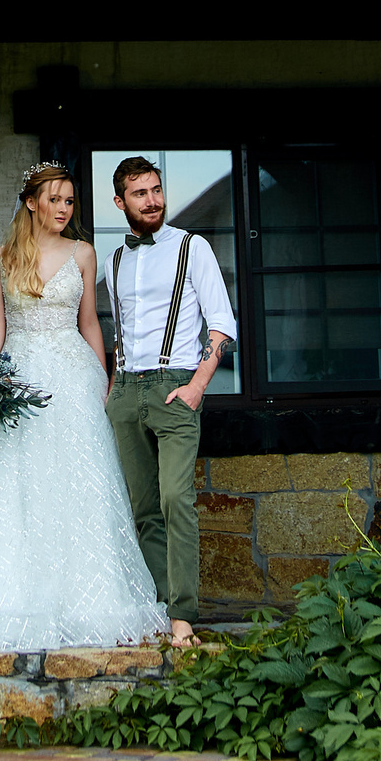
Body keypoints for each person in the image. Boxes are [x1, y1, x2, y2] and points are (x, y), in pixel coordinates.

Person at [0, 161, 170, 651]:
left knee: (78, 487)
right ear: (31, 201)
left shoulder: (84, 254)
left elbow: (90, 324)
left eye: (69, 201)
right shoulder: (1, 257)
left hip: (73, 381)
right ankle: (16, 598)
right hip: (16, 377)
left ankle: (88, 601)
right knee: (13, 487)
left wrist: (104, 381)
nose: (63, 209)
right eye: (54, 199)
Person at [103, 155, 235, 649]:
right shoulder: (115, 260)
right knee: (143, 509)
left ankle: (183, 617)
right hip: (128, 391)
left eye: (156, 190)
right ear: (120, 202)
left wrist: (198, 385)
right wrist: (116, 387)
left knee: (176, 498)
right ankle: (160, 606)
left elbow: (222, 324)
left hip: (177, 386)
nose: (153, 200)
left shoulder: (191, 247)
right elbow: (122, 331)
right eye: (140, 193)